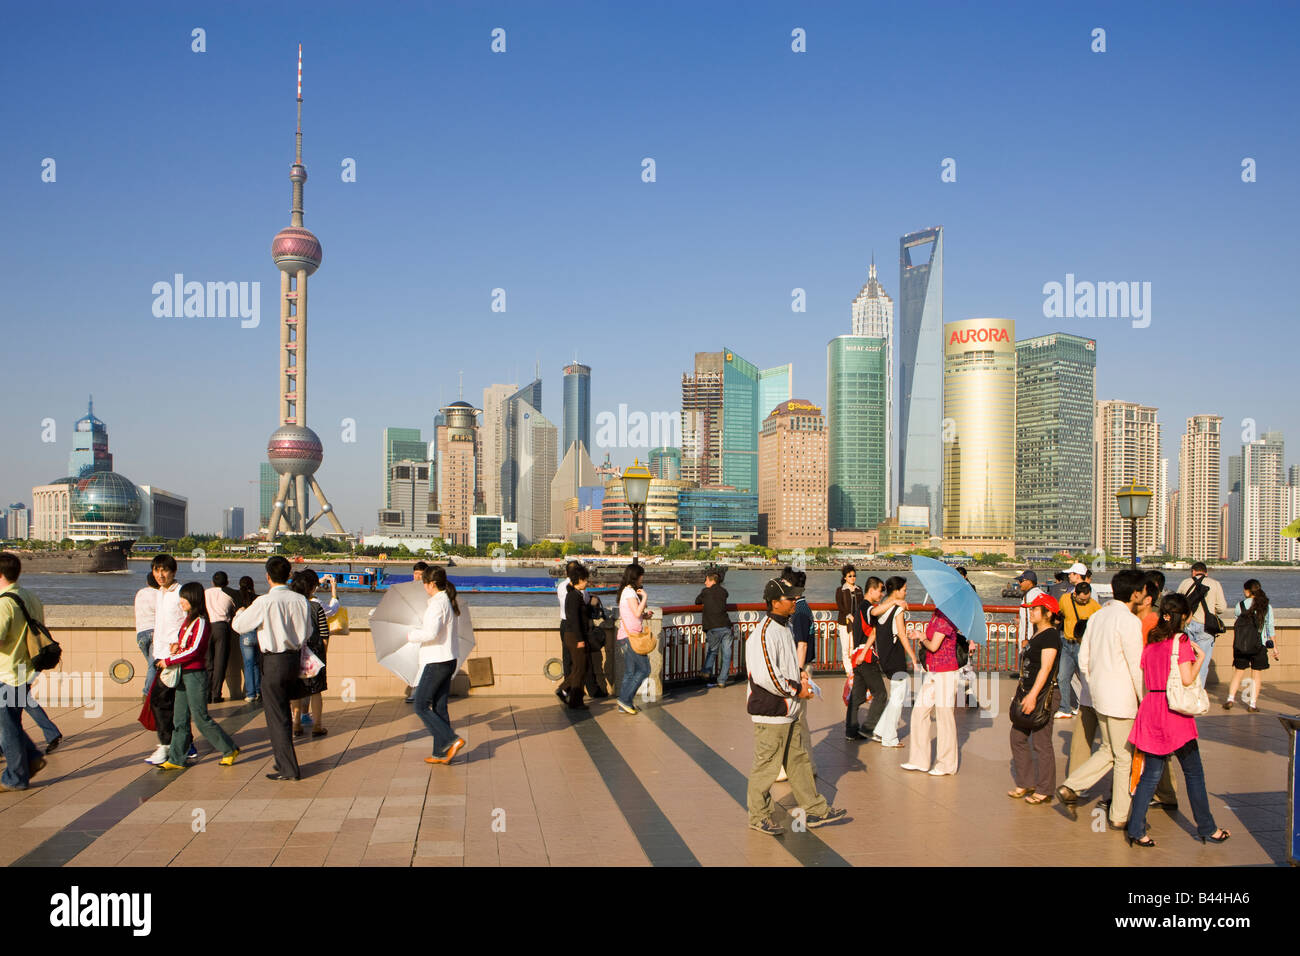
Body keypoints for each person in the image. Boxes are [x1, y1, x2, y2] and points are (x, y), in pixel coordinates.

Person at [1125, 594, 1230, 848]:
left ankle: (1136, 829)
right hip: (1174, 713)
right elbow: (1185, 678)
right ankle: (1208, 828)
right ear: (1185, 617)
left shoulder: (1151, 641)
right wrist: (1201, 660)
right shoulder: (1181, 641)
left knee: (1150, 773)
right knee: (1194, 772)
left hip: (1152, 707)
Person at [745, 577, 847, 835]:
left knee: (799, 760)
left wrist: (800, 674)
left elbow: (785, 665)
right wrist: (797, 689)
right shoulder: (764, 632)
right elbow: (766, 675)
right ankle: (759, 815)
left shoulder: (785, 626)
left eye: (794, 597)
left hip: (789, 709)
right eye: (789, 598)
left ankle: (815, 809)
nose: (794, 602)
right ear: (774, 602)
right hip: (772, 711)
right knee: (766, 766)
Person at [1055, 568, 1147, 829]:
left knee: (1109, 750)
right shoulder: (1129, 621)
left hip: (1098, 696)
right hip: (1122, 699)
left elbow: (1083, 661)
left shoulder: (1098, 616)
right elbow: (1136, 666)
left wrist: (1094, 687)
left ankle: (1072, 786)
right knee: (1123, 757)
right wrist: (1145, 700)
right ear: (1136, 593)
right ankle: (1119, 815)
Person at [232, 555, 312, 781]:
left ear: (267, 577)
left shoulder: (264, 602)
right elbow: (307, 633)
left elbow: (239, 626)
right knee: (284, 712)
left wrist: (239, 612)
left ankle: (288, 769)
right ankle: (282, 762)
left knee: (277, 717)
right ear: (288, 575)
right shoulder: (300, 600)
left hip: (273, 661)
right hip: (294, 660)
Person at [155, 582, 239, 770]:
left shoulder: (200, 621)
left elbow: (194, 650)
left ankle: (229, 749)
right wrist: (176, 649)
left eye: (184, 598)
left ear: (193, 599)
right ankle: (176, 759)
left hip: (195, 676)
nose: (181, 601)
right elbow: (186, 646)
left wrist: (169, 661)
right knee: (180, 719)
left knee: (201, 718)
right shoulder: (188, 621)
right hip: (184, 675)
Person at [1007, 594, 1062, 803]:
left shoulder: (1050, 636)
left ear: (1047, 613)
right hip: (1028, 691)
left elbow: (1046, 668)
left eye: (1034, 609)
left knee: (1041, 741)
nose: (1030, 612)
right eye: (1030, 609)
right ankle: (1025, 782)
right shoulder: (1037, 634)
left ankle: (1045, 789)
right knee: (1018, 737)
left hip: (1043, 694)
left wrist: (1032, 695)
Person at [407, 567, 466, 764]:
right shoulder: (446, 602)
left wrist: (411, 635)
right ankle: (441, 752)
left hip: (437, 661)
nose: (423, 586)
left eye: (424, 582)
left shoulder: (436, 605)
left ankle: (451, 739)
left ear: (431, 584)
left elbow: (431, 633)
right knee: (440, 707)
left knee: (420, 705)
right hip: (448, 659)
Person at [0, 553, 48, 790]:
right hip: (27, 670)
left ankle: (15, 778)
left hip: (7, 672)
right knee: (11, 722)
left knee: (6, 726)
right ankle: (31, 757)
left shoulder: (4, 603)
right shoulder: (30, 596)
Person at [146, 554, 194, 766]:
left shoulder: (180, 594)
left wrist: (179, 644)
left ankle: (166, 745)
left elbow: (191, 621)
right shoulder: (160, 593)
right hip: (161, 656)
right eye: (156, 570)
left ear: (173, 572)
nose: (160, 574)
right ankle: (187, 744)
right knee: (175, 703)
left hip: (173, 658)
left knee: (159, 700)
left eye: (164, 570)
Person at [902, 607, 962, 776]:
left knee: (945, 718)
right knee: (919, 712)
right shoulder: (936, 614)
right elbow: (931, 639)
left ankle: (946, 764)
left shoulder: (948, 617)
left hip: (947, 672)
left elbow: (934, 646)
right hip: (933, 670)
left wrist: (921, 637)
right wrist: (920, 635)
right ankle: (919, 760)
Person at [1136, 573, 1178, 809]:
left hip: (1151, 691)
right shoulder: (1143, 621)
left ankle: (1165, 793)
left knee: (1157, 745)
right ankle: (1162, 792)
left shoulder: (1153, 625)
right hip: (1147, 690)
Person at [870, 576, 919, 749]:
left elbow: (874, 614)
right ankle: (889, 737)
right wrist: (913, 655)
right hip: (895, 657)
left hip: (885, 656)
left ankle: (881, 730)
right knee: (899, 696)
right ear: (896, 591)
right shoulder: (897, 610)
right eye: (904, 590)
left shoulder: (882, 606)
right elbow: (902, 635)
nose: (906, 592)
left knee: (896, 696)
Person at [290, 570, 336, 738]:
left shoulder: (291, 606)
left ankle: (296, 724)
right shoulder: (316, 607)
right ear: (311, 589)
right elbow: (324, 633)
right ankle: (317, 725)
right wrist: (323, 654)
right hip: (315, 654)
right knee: (316, 691)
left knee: (295, 690)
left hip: (294, 653)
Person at [1224, 579, 1279, 712]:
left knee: (1238, 672)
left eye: (1245, 590)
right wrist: (1275, 647)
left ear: (1248, 591)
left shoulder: (1240, 605)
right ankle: (1252, 704)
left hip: (1241, 644)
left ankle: (1230, 699)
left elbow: (1238, 619)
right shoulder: (1266, 606)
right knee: (1256, 675)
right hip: (1259, 645)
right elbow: (1270, 627)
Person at [844, 576, 887, 741]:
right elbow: (874, 630)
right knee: (881, 694)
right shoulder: (867, 607)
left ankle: (851, 731)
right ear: (872, 589)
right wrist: (894, 602)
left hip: (857, 656)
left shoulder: (860, 607)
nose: (882, 593)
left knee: (857, 696)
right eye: (880, 589)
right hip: (866, 656)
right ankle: (867, 728)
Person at [1176, 563, 1228, 688]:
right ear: (1206, 572)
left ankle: (1185, 690)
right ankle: (1198, 693)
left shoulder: (1185, 582)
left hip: (1187, 626)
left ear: (1193, 571)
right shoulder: (1215, 584)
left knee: (1185, 660)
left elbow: (1177, 603)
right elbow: (1222, 607)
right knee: (1202, 663)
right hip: (1206, 627)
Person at [1055, 581, 1100, 719]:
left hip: (1083, 645)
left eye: (1086, 599)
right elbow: (1059, 613)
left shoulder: (1094, 606)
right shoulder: (1065, 599)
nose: (1084, 602)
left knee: (1086, 678)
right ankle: (1065, 708)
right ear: (1075, 594)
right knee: (1062, 677)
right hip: (1067, 642)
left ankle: (1090, 708)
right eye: (1081, 600)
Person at [615, 564, 650, 716]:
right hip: (631, 637)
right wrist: (645, 597)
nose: (643, 578)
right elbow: (636, 613)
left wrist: (645, 615)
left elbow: (635, 614)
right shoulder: (629, 592)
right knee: (644, 669)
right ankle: (624, 700)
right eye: (641, 575)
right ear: (636, 576)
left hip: (627, 636)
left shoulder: (628, 592)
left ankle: (624, 703)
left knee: (630, 672)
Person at [560, 564, 594, 710]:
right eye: (585, 580)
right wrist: (580, 640)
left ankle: (573, 696)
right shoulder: (574, 596)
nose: (587, 583)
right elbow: (573, 619)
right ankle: (571, 696)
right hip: (574, 636)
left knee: (581, 667)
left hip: (574, 635)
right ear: (579, 580)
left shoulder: (575, 594)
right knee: (580, 667)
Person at [204, 571, 238, 703]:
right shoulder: (229, 595)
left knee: (208, 662)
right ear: (227, 582)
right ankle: (216, 694)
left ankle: (206, 693)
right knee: (220, 662)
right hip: (222, 627)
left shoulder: (206, 593)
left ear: (212, 582)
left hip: (207, 627)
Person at [696, 572, 733, 688]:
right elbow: (724, 596)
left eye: (706, 580)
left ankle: (706, 671)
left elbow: (697, 602)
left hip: (713, 626)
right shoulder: (724, 592)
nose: (705, 582)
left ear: (712, 581)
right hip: (726, 626)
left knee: (713, 651)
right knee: (727, 654)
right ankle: (722, 680)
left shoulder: (705, 591)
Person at [556, 560, 581, 703]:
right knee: (578, 661)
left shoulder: (560, 586)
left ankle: (567, 689)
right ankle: (570, 689)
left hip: (564, 624)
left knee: (567, 658)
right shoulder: (577, 589)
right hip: (574, 626)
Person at [405, 561, 431, 702]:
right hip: (412, 630)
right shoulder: (407, 590)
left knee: (424, 663)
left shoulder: (430, 590)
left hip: (425, 631)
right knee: (413, 662)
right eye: (416, 574)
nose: (418, 577)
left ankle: (421, 692)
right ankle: (415, 690)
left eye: (421, 574)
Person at [235, 576, 261, 702]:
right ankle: (258, 691)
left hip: (245, 634)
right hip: (257, 633)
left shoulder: (237, 598)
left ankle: (250, 694)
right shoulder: (258, 598)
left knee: (248, 664)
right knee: (256, 664)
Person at [1014, 570, 1045, 675]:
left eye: (1021, 581)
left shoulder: (1029, 596)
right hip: (1039, 639)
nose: (1019, 583)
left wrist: (1026, 639)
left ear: (1029, 582)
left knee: (1026, 673)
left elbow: (1028, 620)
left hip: (1029, 641)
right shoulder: (1041, 593)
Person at [134, 569, 160, 696]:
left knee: (152, 666)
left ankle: (153, 692)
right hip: (155, 633)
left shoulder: (140, 593)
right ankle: (148, 694)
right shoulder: (160, 594)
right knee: (153, 666)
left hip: (140, 634)